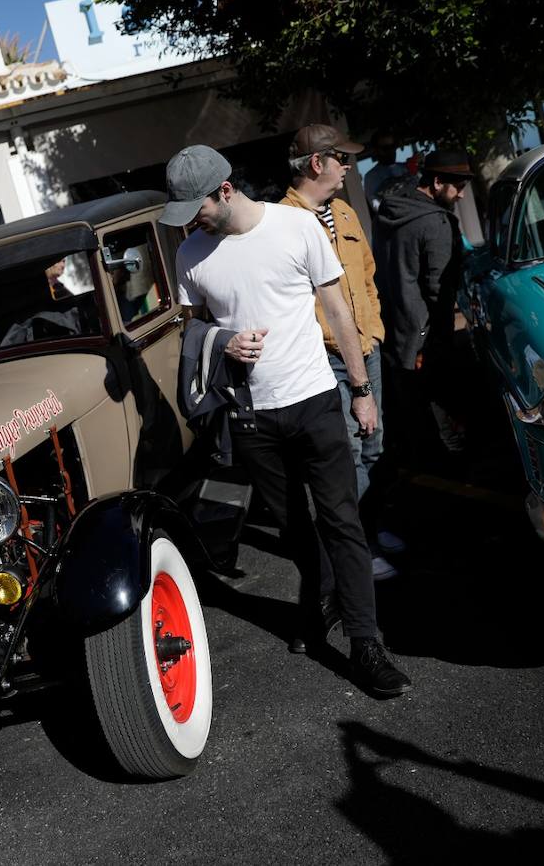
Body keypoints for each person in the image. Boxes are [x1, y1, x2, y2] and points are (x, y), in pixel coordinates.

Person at [163, 143, 411, 698]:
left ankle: (366, 644)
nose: (191, 223)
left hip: (316, 401)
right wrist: (226, 342)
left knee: (342, 523)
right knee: (294, 528)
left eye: (196, 209)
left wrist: (362, 390)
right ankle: (319, 597)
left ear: (225, 190)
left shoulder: (295, 228)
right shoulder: (192, 255)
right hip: (252, 417)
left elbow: (339, 311)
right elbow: (193, 333)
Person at [282, 125, 403, 583]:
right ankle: (360, 548)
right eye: (343, 160)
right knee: (347, 454)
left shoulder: (345, 212)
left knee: (375, 446)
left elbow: (367, 277)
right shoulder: (283, 222)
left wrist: (372, 328)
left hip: (365, 347)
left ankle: (375, 526)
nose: (349, 168)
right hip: (324, 357)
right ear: (318, 163)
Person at [375, 148, 473, 469]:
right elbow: (438, 290)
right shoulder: (436, 222)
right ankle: (451, 461)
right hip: (425, 334)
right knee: (439, 404)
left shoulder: (391, 210)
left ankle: (427, 459)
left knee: (411, 408)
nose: (460, 194)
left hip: (393, 325)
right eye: (457, 186)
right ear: (436, 181)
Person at [362, 130, 409, 220]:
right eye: (386, 148)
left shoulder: (405, 168)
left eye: (393, 146)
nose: (391, 151)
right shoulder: (371, 177)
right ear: (376, 150)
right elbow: (377, 206)